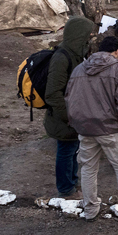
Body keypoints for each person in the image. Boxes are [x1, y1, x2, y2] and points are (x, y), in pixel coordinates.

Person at [66, 36, 118, 221]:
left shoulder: (79, 69)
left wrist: (76, 123)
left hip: (85, 128)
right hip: (111, 129)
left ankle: (90, 209)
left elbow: (70, 98)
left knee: (88, 168)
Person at [44, 16, 95, 200]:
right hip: (64, 116)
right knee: (66, 152)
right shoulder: (62, 57)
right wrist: (69, 117)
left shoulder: (76, 53)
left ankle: (72, 184)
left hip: (74, 115)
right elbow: (52, 93)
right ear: (78, 35)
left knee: (73, 150)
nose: (90, 39)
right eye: (87, 35)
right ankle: (66, 190)